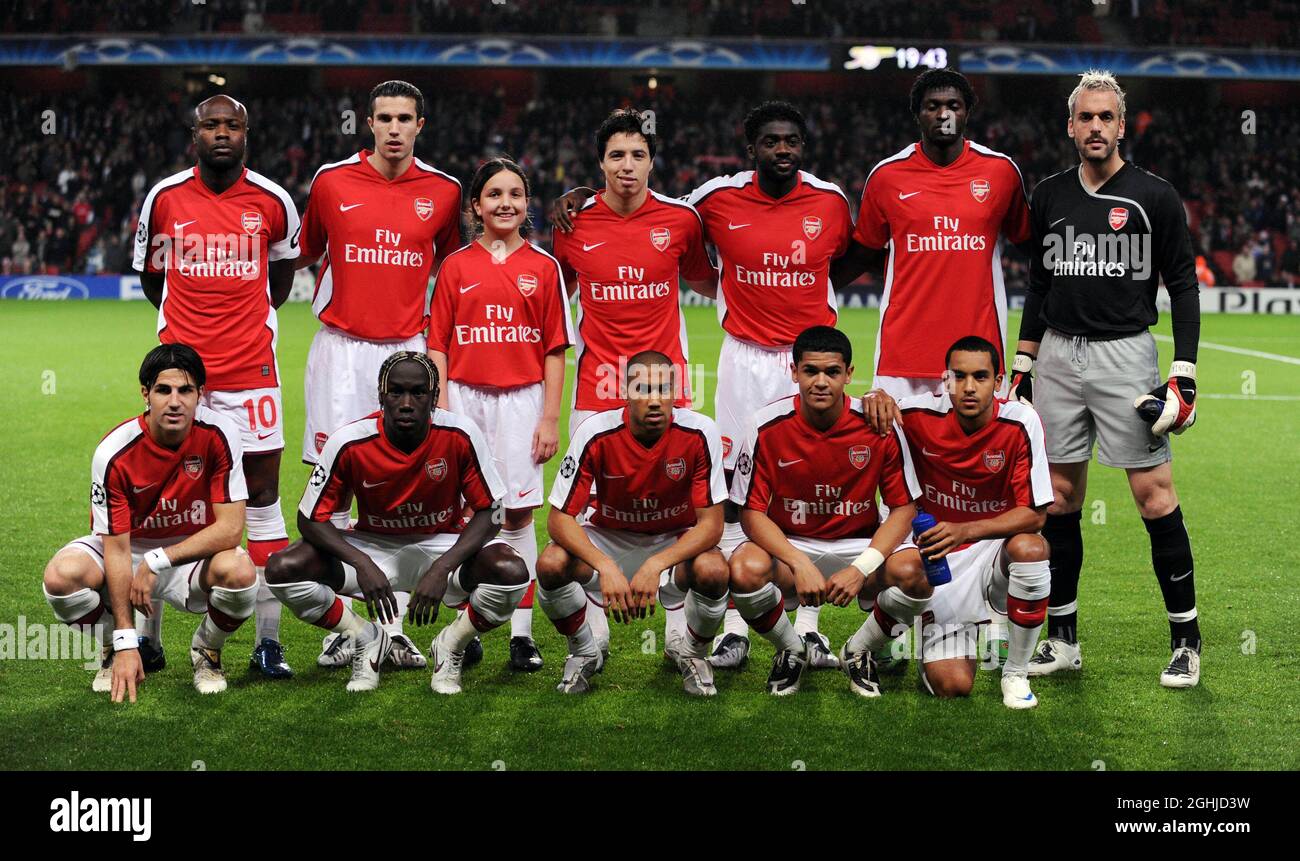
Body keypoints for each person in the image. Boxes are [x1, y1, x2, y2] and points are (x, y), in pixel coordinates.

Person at [551, 102, 854, 670]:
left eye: (638, 155)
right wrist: (567, 203)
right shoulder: (701, 204)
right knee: (715, 499)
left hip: (744, 371)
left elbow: (698, 267)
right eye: (616, 156)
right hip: (650, 377)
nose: (627, 165)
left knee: (792, 485)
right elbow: (555, 290)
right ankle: (600, 634)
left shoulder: (817, 203)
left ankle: (768, 626)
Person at [1012, 70, 1203, 688]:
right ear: (1071, 127)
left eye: (1106, 118)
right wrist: (1023, 363)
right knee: (1061, 500)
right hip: (1060, 360)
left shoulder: (1155, 196)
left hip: (1128, 357)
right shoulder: (1047, 196)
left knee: (1155, 498)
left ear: (1121, 126)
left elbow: (1183, 284)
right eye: (1085, 118)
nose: (1095, 127)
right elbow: (1039, 285)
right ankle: (1064, 640)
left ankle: (1186, 640)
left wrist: (1184, 374)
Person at [844, 68, 1034, 668]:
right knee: (903, 499)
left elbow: (1036, 238)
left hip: (977, 366)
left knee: (985, 488)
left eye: (953, 103)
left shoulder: (1000, 174)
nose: (943, 113)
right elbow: (855, 255)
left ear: (968, 110)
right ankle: (901, 615)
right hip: (902, 367)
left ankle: (984, 610)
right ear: (917, 113)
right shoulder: (887, 177)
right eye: (932, 105)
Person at [296, 80, 463, 670]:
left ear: (423, 125)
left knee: (399, 482)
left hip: (407, 352)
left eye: (406, 119)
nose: (395, 128)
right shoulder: (331, 181)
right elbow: (306, 249)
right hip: (340, 350)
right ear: (368, 123)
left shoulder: (444, 192)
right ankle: (348, 629)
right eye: (385, 118)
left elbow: (454, 265)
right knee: (332, 483)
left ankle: (393, 629)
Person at [133, 94, 299, 679]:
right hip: (183, 380)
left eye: (232, 125)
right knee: (159, 500)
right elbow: (154, 279)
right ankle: (147, 640)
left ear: (246, 134)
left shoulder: (273, 201)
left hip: (252, 373)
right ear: (194, 133)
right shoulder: (165, 199)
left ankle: (268, 644)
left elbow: (280, 282)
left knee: (262, 504)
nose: (222, 133)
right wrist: (186, 350)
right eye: (211, 125)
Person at [265, 352, 529, 694]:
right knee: (284, 569)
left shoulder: (460, 434)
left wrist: (442, 568)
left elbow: (491, 513)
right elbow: (310, 519)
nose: (406, 403)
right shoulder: (350, 442)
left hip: (441, 544)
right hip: (373, 546)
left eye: (418, 393)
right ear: (380, 394)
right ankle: (365, 636)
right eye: (396, 392)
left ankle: (451, 645)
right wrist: (360, 562)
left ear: (434, 398)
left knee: (511, 573)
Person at [41, 344, 257, 701]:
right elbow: (116, 547)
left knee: (240, 572)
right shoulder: (114, 453)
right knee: (61, 577)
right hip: (128, 550)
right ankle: (112, 647)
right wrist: (127, 642)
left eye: (186, 391)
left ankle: (206, 649)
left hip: (187, 553)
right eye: (163, 390)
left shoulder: (220, 434)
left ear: (201, 395)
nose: (175, 402)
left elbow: (231, 529)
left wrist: (160, 559)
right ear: (146, 394)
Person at [427, 157, 574, 672]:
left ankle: (521, 634)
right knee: (467, 517)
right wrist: (442, 408)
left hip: (521, 401)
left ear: (526, 204)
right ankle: (465, 629)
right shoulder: (455, 266)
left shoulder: (544, 266)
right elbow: (438, 345)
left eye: (515, 194)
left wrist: (550, 417)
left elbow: (555, 348)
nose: (505, 203)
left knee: (516, 517)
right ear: (476, 206)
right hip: (465, 401)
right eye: (494, 194)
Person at [728, 326, 930, 696]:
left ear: (849, 374)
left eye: (832, 372)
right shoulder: (764, 427)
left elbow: (903, 508)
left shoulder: (877, 425)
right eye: (810, 371)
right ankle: (790, 649)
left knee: (918, 571)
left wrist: (861, 568)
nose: (821, 382)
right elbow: (751, 513)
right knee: (743, 569)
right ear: (793, 372)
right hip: (793, 547)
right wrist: (798, 562)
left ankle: (860, 650)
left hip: (860, 545)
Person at [862, 336, 1054, 708]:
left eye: (980, 377)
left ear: (998, 382)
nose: (968, 387)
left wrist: (965, 530)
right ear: (944, 380)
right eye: (958, 377)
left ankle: (1015, 672)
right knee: (953, 686)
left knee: (1030, 547)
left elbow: (1035, 514)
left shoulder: (1020, 421)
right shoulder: (915, 415)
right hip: (936, 562)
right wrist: (873, 397)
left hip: (991, 555)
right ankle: (919, 631)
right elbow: (859, 412)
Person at [536, 351, 729, 696]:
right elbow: (559, 519)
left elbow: (712, 526)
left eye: (663, 389)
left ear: (676, 391)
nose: (654, 401)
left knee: (714, 570)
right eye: (643, 389)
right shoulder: (595, 432)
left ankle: (694, 654)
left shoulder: (701, 432)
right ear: (625, 391)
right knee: (551, 563)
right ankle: (582, 651)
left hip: (673, 542)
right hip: (609, 539)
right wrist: (605, 565)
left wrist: (656, 563)